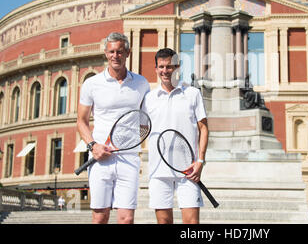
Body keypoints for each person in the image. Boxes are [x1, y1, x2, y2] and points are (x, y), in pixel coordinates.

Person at [77, 32, 150, 224]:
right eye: (111, 51)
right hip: (100, 158)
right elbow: (81, 121)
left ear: (128, 53)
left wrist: (134, 143)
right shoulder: (91, 84)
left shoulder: (142, 83)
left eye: (119, 51)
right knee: (100, 217)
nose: (115, 56)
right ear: (105, 53)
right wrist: (93, 146)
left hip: (129, 159)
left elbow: (145, 122)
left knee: (126, 219)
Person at [142, 48, 209, 224]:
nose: (165, 71)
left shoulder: (193, 93)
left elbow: (204, 129)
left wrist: (200, 161)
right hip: (158, 171)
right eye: (161, 67)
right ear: (156, 69)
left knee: (191, 224)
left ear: (177, 67)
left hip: (188, 171)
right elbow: (141, 130)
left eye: (170, 66)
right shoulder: (148, 98)